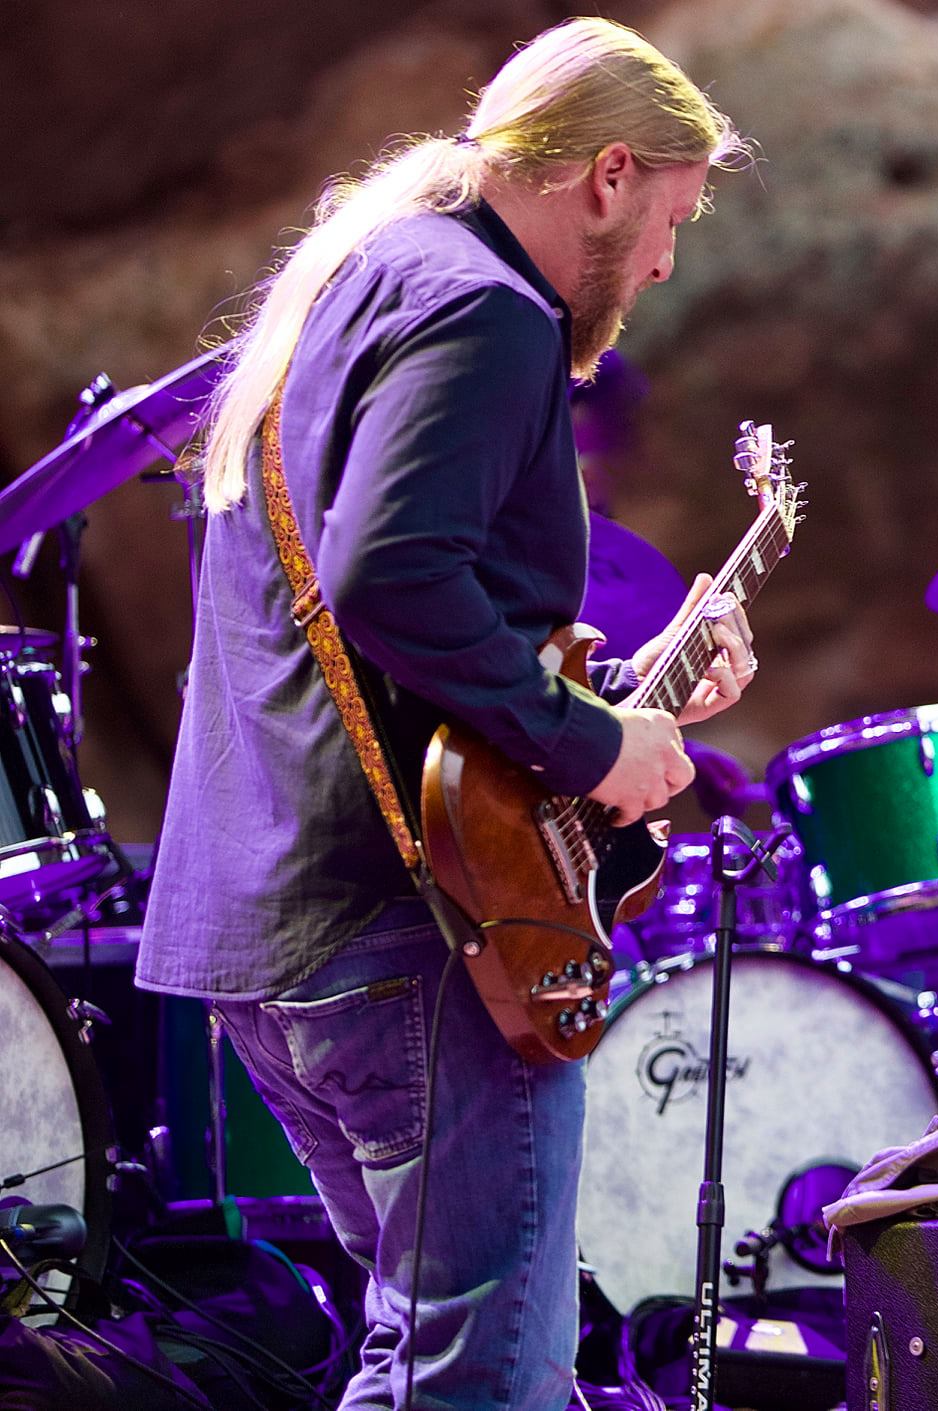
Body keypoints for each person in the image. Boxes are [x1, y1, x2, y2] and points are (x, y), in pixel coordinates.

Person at [137, 19, 753, 1409]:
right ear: (607, 176)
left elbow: (387, 616)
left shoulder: (363, 272)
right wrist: (601, 744)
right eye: (670, 219)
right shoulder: (488, 306)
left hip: (271, 927)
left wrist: (618, 680)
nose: (662, 263)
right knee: (477, 1380)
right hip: (403, 930)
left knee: (424, 1359)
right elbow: (391, 571)